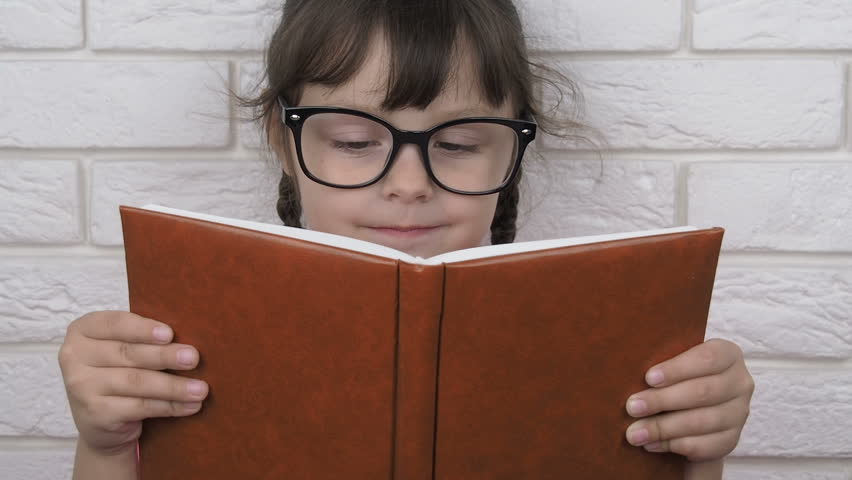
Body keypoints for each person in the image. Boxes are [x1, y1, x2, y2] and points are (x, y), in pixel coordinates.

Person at [58, 1, 754, 478]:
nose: (410, 184)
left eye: (457, 143)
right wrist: (106, 446)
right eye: (358, 141)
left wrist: (697, 455)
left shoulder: (617, 341)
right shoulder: (188, 331)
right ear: (284, 141)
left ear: (512, 152)